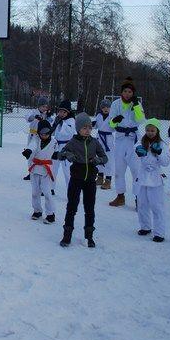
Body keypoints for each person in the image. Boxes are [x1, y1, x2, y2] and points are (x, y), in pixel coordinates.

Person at [57, 112, 108, 248]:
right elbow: (61, 154)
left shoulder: (94, 142)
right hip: (76, 179)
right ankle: (67, 235)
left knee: (89, 208)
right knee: (71, 207)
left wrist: (98, 160)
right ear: (78, 128)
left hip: (90, 179)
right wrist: (68, 154)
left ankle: (89, 236)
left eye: (90, 128)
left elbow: (105, 157)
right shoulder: (73, 142)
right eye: (84, 128)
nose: (87, 130)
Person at [108, 77, 146, 207]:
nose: (127, 94)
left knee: (136, 169)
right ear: (121, 92)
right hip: (119, 138)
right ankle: (120, 196)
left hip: (132, 139)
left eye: (130, 92)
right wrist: (116, 120)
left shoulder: (136, 104)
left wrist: (135, 106)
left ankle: (138, 197)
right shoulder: (115, 104)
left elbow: (141, 120)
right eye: (125, 91)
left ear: (133, 93)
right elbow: (111, 124)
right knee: (119, 169)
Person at [135, 119, 170, 243]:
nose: (150, 132)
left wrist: (159, 153)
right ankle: (145, 226)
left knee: (157, 206)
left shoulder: (162, 144)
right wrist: (138, 153)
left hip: (155, 179)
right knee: (142, 204)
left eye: (152, 130)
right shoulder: (141, 141)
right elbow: (135, 154)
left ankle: (159, 232)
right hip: (143, 177)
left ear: (157, 131)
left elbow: (166, 161)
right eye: (148, 130)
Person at [22, 120, 56, 223]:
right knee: (35, 192)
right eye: (42, 133)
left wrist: (60, 154)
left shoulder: (54, 142)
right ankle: (37, 211)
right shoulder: (36, 140)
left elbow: (56, 152)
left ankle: (50, 214)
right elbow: (32, 146)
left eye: (46, 133)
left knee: (46, 192)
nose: (44, 135)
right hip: (35, 169)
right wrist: (29, 151)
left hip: (46, 170)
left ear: (50, 132)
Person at [51, 100, 76, 195]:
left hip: (66, 147)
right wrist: (54, 124)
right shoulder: (57, 119)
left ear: (68, 112)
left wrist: (61, 124)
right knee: (53, 168)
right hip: (56, 146)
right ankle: (51, 187)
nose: (61, 113)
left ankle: (71, 192)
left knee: (67, 171)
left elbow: (69, 132)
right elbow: (52, 131)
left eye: (63, 112)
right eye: (60, 111)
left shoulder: (71, 120)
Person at [93, 99, 114, 189]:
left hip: (108, 139)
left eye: (108, 107)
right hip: (99, 137)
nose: (106, 109)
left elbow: (114, 127)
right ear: (101, 108)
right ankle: (100, 177)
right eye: (104, 107)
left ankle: (108, 180)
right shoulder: (98, 115)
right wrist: (92, 124)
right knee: (99, 157)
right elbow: (96, 126)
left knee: (108, 159)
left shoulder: (112, 116)